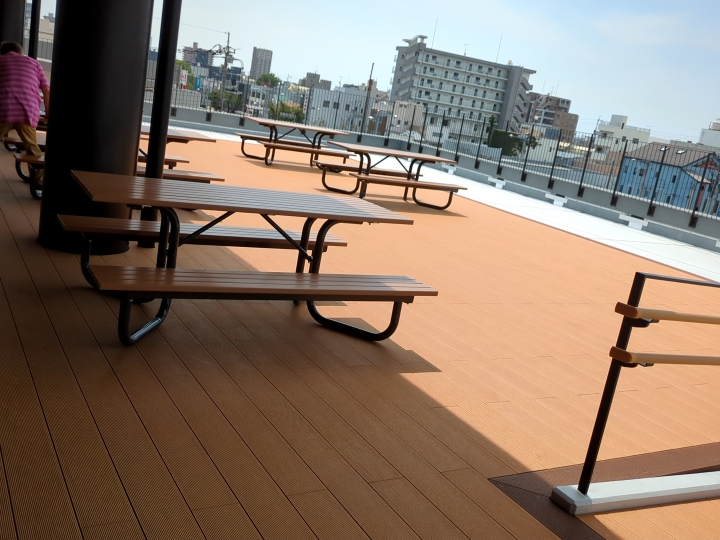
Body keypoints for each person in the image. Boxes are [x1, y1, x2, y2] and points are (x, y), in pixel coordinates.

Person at [0, 41, 50, 180]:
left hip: (3, 110)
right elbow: (46, 90)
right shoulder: (34, 63)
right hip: (27, 111)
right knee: (32, 148)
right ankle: (38, 179)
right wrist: (47, 111)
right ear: (21, 52)